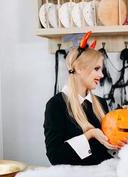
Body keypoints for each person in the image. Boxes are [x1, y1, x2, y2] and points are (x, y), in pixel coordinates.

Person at [43, 34, 119, 165]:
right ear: (78, 68)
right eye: (96, 69)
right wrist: (90, 134)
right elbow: (55, 157)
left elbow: (105, 150)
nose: (101, 75)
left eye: (101, 70)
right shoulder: (56, 105)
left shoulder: (101, 103)